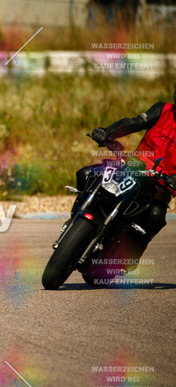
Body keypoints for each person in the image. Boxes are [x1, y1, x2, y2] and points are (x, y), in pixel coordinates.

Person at [73, 82, 176, 258]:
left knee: (155, 215)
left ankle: (130, 255)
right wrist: (108, 132)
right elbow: (132, 123)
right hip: (133, 167)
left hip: (162, 184)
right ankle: (75, 220)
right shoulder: (163, 110)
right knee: (86, 174)